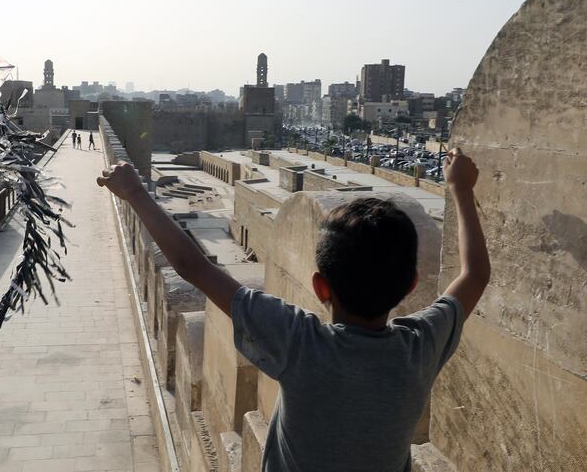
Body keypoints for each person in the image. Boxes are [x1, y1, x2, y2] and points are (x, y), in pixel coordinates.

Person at [97, 147, 490, 471]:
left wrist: (134, 192)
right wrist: (460, 189)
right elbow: (474, 275)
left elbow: (193, 268)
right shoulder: (420, 348)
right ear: (410, 286)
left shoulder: (301, 343)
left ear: (321, 287)